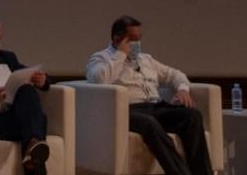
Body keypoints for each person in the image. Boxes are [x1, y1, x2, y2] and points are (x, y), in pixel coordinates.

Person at [86, 16, 212, 175]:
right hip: (127, 112)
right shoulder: (100, 58)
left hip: (154, 107)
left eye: (139, 39)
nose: (137, 44)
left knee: (192, 116)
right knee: (149, 123)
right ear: (117, 39)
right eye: (132, 39)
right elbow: (99, 79)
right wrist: (120, 54)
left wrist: (183, 90)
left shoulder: (146, 60)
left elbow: (175, 75)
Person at [0, 16, 51, 175]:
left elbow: (28, 72)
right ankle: (33, 146)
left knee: (27, 89)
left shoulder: (8, 58)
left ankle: (32, 145)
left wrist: (42, 80)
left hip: (14, 116)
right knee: (38, 120)